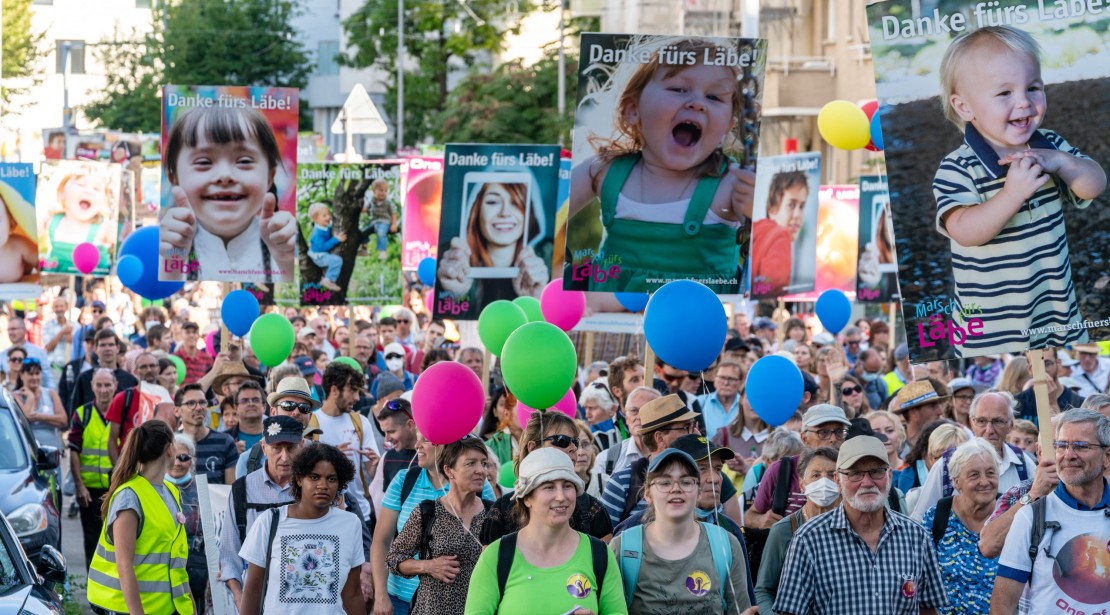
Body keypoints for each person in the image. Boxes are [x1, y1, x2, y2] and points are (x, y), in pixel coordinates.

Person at [935, 27, 1106, 356]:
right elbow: (964, 231)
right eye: (1004, 94)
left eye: (1033, 87)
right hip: (991, 331)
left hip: (1056, 312)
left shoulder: (1051, 146)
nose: (1024, 102)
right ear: (964, 107)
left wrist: (1059, 160)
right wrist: (1011, 195)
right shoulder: (958, 168)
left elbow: (1094, 186)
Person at [566, 37, 755, 294]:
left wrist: (757, 214)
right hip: (610, 320)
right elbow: (543, 213)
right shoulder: (604, 171)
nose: (697, 103)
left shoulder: (732, 184)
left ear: (727, 127)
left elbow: (774, 259)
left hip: (697, 324)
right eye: (679, 89)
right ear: (633, 109)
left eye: (713, 96)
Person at [773, 435, 947, 614]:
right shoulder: (809, 539)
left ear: (889, 475)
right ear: (838, 480)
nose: (867, 482)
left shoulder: (916, 537)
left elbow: (928, 609)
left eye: (876, 471)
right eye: (855, 473)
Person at [464, 448, 626, 615]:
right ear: (527, 498)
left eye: (567, 486)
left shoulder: (599, 554)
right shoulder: (496, 556)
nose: (561, 496)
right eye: (549, 487)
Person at [159, 104, 297, 282]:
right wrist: (173, 259)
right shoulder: (159, 246)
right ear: (173, 177)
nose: (225, 175)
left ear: (270, 176)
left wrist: (285, 262)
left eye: (244, 160)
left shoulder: (291, 244)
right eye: (203, 162)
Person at [990, 409, 1109, 613]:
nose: (1069, 455)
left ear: (1107, 456)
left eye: (1081, 446)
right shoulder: (1031, 517)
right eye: (1061, 446)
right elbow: (1003, 604)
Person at [611, 447, 755, 614]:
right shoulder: (623, 548)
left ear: (698, 492)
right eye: (665, 482)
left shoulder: (726, 545)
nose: (676, 488)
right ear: (648, 494)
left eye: (686, 482)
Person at [372, 431, 497, 615]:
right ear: (449, 469)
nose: (481, 470)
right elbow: (391, 554)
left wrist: (494, 554)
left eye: (483, 463)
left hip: (477, 608)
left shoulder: (492, 511)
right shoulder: (425, 508)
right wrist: (427, 566)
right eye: (471, 463)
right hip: (421, 605)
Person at [239, 443, 365, 614]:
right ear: (299, 479)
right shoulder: (269, 521)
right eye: (314, 477)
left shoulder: (350, 524)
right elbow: (253, 590)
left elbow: (353, 593)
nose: (323, 485)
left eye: (331, 479)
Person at [86, 420, 194, 615]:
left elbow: (175, 561)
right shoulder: (129, 496)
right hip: (125, 608)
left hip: (165, 607)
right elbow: (123, 564)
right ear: (170, 449)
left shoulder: (171, 491)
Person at [482, 410, 613, 544]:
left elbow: (603, 561)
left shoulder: (593, 510)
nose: (574, 448)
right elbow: (491, 562)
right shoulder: (501, 512)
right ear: (533, 447)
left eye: (575, 441)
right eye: (562, 440)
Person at [911, 392, 1035, 521]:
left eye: (997, 421)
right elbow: (920, 521)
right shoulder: (948, 463)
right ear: (972, 422)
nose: (989, 430)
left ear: (1010, 424)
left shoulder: (1024, 464)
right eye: (982, 421)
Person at [436, 181, 548, 313]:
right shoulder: (451, 261)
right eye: (493, 202)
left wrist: (536, 300)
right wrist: (454, 296)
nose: (505, 213)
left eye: (515, 202)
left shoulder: (549, 261)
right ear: (476, 210)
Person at [754, 446, 840, 615]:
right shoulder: (783, 530)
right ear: (802, 484)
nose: (824, 482)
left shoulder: (852, 526)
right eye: (816, 475)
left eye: (832, 475)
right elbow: (763, 591)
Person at [920, 438, 1001, 615]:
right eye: (974, 475)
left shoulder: (1011, 516)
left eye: (990, 473)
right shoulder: (937, 517)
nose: (984, 481)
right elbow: (921, 581)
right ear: (956, 482)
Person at [601, 394, 702, 526]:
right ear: (659, 438)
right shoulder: (623, 481)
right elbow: (603, 540)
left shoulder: (702, 474)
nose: (694, 433)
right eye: (685, 428)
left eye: (693, 425)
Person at [746, 404, 852, 528]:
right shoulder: (781, 470)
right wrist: (761, 520)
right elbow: (750, 516)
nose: (833, 439)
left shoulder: (853, 471)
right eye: (823, 432)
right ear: (804, 438)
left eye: (839, 432)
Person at [310, 362, 381, 522]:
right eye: (352, 391)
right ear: (334, 390)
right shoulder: (311, 424)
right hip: (322, 515)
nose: (357, 398)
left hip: (359, 514)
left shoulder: (360, 422)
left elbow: (372, 473)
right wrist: (331, 457)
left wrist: (376, 467)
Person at [68, 367, 120, 565]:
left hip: (115, 487)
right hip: (89, 491)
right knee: (92, 541)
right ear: (92, 387)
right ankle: (93, 589)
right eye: (99, 385)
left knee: (117, 540)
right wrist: (79, 486)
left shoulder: (120, 414)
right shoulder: (83, 414)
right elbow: (74, 450)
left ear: (115, 386)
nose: (103, 389)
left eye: (108, 385)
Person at [39, 164, 116, 274]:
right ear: (62, 193)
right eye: (81, 184)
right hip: (56, 276)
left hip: (88, 279)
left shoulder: (103, 227)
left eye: (96, 188)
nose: (88, 191)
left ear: (104, 201)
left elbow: (119, 247)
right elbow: (29, 233)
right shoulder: (51, 220)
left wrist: (114, 238)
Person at [166, 433, 209, 610]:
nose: (178, 463)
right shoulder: (155, 489)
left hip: (197, 571)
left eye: (183, 457)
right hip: (165, 571)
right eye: (173, 457)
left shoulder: (204, 491)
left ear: (191, 460)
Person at [751, 170, 808, 297]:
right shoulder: (781, 236)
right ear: (772, 208)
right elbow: (775, 291)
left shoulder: (756, 232)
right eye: (791, 205)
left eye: (802, 206)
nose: (797, 215)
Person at [175, 383, 239, 484]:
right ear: (177, 411)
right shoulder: (171, 443)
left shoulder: (224, 442)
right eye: (191, 403)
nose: (198, 408)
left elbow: (230, 491)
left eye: (202, 402)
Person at [14, 357, 66, 450]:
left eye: (37, 373)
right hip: (28, 450)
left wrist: (39, 417)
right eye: (30, 374)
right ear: (21, 375)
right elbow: (26, 418)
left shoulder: (51, 394)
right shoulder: (16, 396)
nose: (35, 377)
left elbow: (63, 420)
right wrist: (30, 397)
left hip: (51, 451)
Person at [1, 317, 54, 390]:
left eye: (13, 329)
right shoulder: (2, 355)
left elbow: (48, 380)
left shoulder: (39, 353)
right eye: (9, 330)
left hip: (35, 398)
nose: (10, 333)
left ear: (24, 330)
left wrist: (50, 398)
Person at [306, 201, 347, 291]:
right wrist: (336, 239)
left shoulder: (324, 226)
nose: (328, 217)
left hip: (322, 254)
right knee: (337, 260)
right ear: (315, 219)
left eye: (328, 214)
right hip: (319, 257)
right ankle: (328, 280)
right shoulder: (317, 233)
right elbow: (322, 247)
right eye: (324, 216)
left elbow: (330, 225)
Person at [698, 361, 743, 442]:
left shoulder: (746, 406)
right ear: (714, 379)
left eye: (731, 379)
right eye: (722, 377)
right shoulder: (700, 402)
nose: (726, 383)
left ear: (740, 382)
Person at [480, 385, 522, 466]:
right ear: (507, 413)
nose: (526, 413)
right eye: (520, 409)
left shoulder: (539, 439)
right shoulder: (491, 446)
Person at [360, 178, 398, 260]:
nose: (383, 193)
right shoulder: (372, 200)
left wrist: (394, 224)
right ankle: (364, 247)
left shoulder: (387, 202)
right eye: (381, 190)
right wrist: (359, 209)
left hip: (384, 222)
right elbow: (366, 209)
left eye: (385, 191)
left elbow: (393, 213)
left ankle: (382, 251)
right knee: (363, 232)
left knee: (381, 233)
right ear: (374, 191)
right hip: (374, 223)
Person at [225, 380, 266, 454]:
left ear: (264, 406)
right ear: (236, 408)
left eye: (255, 400)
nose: (250, 404)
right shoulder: (224, 439)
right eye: (244, 401)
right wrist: (230, 452)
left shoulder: (277, 436)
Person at [580, 380, 620, 451]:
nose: (587, 415)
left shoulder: (626, 428)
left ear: (612, 409)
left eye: (592, 408)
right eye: (586, 408)